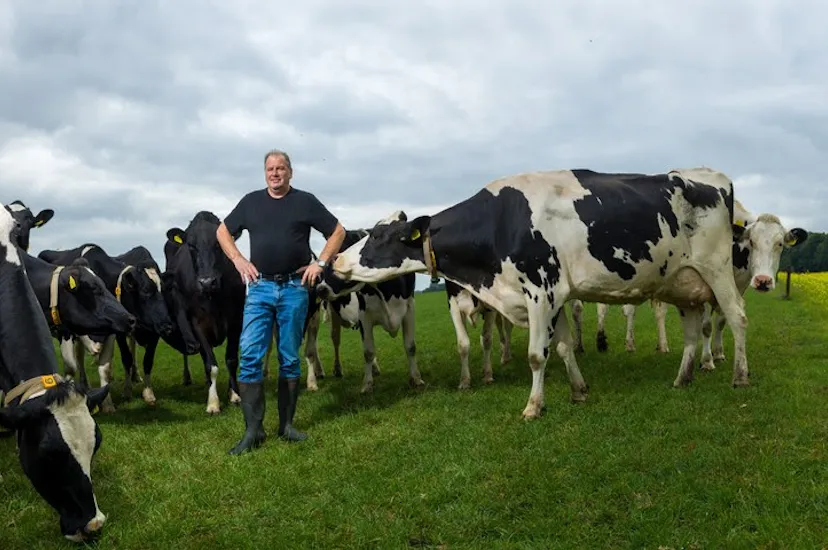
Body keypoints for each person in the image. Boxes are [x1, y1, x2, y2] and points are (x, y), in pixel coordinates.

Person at [217, 149, 345, 455]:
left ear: (290, 172)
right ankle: (253, 431)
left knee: (289, 356)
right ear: (265, 173)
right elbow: (223, 231)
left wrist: (321, 264)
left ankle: (286, 426)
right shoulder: (250, 202)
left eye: (281, 168)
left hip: (294, 288)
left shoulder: (305, 201)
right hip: (259, 288)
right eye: (270, 169)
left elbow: (338, 231)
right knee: (250, 356)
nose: (275, 173)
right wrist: (238, 260)